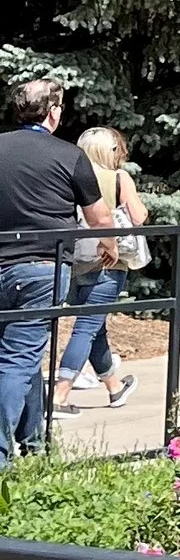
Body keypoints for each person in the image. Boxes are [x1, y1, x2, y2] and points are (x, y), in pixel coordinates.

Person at [0, 79, 113, 461]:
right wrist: (109, 247)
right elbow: (99, 218)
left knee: (23, 355)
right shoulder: (69, 155)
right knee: (17, 360)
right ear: (53, 112)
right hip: (42, 270)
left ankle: (34, 446)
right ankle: (0, 455)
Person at [60, 124, 146, 404]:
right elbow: (139, 215)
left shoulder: (69, 177)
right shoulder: (118, 178)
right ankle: (59, 395)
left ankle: (114, 387)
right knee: (87, 327)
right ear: (110, 151)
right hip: (109, 260)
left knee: (95, 325)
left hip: (74, 259)